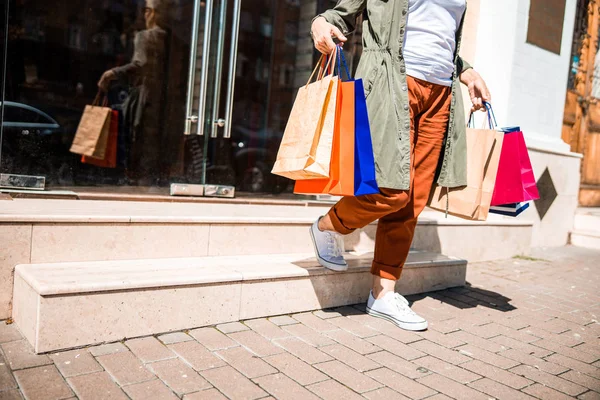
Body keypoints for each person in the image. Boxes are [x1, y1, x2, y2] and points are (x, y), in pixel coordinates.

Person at [310, 0, 490, 331]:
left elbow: (438, 32)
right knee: (391, 192)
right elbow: (340, 14)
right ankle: (328, 225)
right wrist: (321, 23)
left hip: (441, 95)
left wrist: (466, 70)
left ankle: (383, 292)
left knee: (414, 200)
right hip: (392, 81)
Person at [98, 0, 170, 185]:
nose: (144, 15)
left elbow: (140, 64)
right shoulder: (171, 40)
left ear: (152, 12)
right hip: (164, 102)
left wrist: (112, 73)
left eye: (146, 10)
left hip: (144, 99)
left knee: (136, 142)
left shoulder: (145, 36)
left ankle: (135, 181)